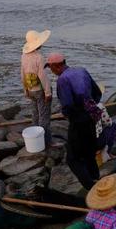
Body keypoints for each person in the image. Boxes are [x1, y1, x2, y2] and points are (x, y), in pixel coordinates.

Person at [46, 53, 102, 190]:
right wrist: (90, 107)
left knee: (73, 159)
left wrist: (66, 115)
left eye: (51, 68)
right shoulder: (81, 70)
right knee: (89, 154)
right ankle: (97, 180)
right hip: (91, 118)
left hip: (78, 121)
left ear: (56, 66)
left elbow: (68, 105)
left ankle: (90, 188)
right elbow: (97, 93)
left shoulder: (62, 80)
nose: (51, 71)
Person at [21, 29, 53, 148]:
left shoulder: (24, 56)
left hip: (30, 89)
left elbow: (22, 73)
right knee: (44, 116)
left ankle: (34, 139)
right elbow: (43, 76)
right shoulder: (39, 57)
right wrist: (48, 92)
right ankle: (47, 142)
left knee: (35, 114)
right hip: (40, 90)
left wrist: (25, 89)